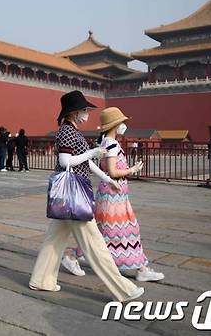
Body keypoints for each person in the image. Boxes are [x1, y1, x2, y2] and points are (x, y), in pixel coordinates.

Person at [29, 90, 144, 302]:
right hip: (74, 195)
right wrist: (92, 153)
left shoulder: (72, 130)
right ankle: (123, 289)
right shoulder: (66, 132)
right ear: (73, 112)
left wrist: (107, 179)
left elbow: (86, 162)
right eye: (84, 110)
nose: (87, 114)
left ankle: (41, 280)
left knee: (54, 240)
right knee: (95, 244)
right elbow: (65, 162)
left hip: (69, 196)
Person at [61, 107, 163, 282]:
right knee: (125, 231)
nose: (124, 125)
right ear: (116, 124)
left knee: (102, 232)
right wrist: (133, 169)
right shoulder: (112, 144)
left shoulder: (106, 142)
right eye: (122, 122)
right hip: (113, 196)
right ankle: (141, 268)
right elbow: (113, 172)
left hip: (111, 195)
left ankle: (72, 257)